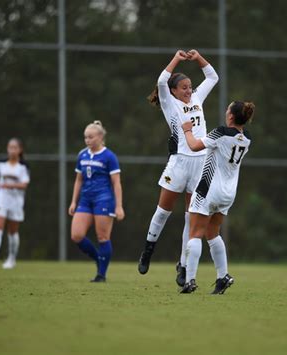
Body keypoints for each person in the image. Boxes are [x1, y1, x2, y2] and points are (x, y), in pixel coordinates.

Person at [138, 49, 219, 286]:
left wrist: (199, 58)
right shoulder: (169, 102)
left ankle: (183, 266)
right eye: (183, 87)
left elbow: (213, 77)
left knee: (190, 216)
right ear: (174, 91)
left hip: (201, 163)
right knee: (163, 211)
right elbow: (162, 80)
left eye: (189, 86)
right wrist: (177, 58)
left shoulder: (196, 98)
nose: (188, 90)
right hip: (180, 163)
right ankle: (148, 250)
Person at [179, 100, 255, 294]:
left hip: (209, 188)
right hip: (228, 193)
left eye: (227, 109)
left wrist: (187, 130)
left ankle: (190, 281)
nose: (225, 112)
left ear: (230, 116)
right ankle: (223, 277)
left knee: (195, 233)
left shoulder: (220, 132)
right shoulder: (246, 138)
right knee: (213, 233)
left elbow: (195, 146)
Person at [69, 121, 125, 282]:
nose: (87, 140)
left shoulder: (109, 156)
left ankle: (101, 274)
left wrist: (119, 206)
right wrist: (74, 202)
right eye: (85, 137)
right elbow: (78, 180)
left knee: (103, 237)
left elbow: (116, 183)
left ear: (100, 137)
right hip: (86, 200)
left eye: (91, 137)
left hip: (104, 199)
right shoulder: (82, 155)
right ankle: (99, 258)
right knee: (76, 235)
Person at [0, 138, 30, 269]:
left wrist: (10, 185)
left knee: (12, 232)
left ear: (20, 150)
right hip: (1, 200)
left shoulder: (23, 167)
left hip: (16, 202)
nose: (12, 150)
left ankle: (11, 258)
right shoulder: (1, 164)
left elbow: (24, 184)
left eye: (15, 147)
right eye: (10, 147)